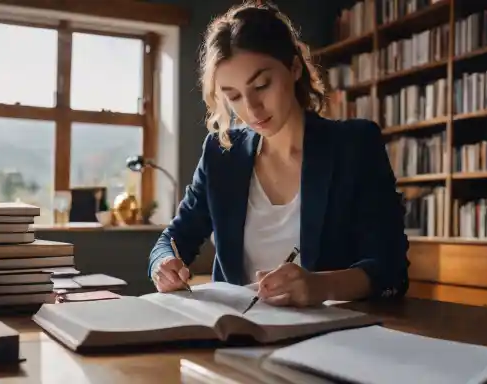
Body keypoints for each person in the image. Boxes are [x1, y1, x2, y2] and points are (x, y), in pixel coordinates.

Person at [148, 1, 409, 307]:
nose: (251, 109)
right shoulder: (221, 154)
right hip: (236, 333)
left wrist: (320, 286)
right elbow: (171, 240)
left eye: (262, 85)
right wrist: (163, 265)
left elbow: (391, 270)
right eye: (233, 96)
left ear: (294, 67)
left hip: (330, 338)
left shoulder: (354, 145)